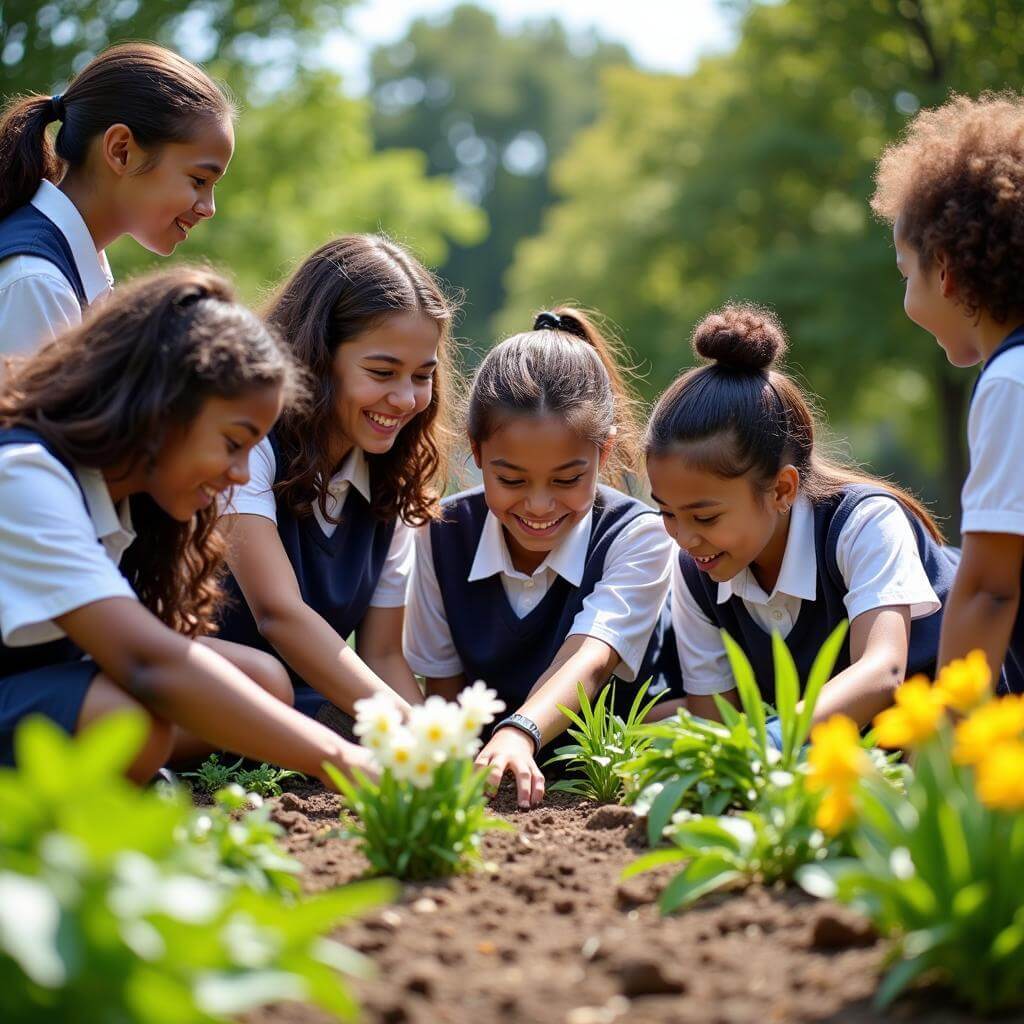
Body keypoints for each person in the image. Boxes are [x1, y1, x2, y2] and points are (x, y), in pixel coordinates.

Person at [0, 267, 372, 784]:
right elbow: (146, 662)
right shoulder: (24, 476)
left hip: (30, 684)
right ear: (161, 409)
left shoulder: (125, 501)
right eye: (232, 442)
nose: (240, 473)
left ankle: (123, 775)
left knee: (262, 680)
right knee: (126, 720)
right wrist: (340, 758)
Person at [404, 308, 674, 808]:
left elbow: (593, 657)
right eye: (511, 480)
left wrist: (521, 730)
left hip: (611, 773)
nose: (539, 506)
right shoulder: (440, 534)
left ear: (605, 451)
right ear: (477, 452)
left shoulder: (638, 536)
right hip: (500, 771)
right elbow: (443, 684)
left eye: (568, 480)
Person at [646, 303, 958, 729]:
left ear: (782, 489)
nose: (683, 537)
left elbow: (883, 671)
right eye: (667, 513)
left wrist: (775, 742)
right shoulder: (695, 571)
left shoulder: (864, 525)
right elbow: (718, 720)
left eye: (705, 518)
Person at [218, 235, 457, 724]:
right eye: (382, 371)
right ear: (317, 357)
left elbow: (384, 655)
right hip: (207, 693)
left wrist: (439, 744)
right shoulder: (249, 448)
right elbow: (278, 614)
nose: (406, 399)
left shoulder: (390, 481)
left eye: (421, 375)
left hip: (305, 710)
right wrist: (403, 727)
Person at [871, 92, 1024, 692]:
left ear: (946, 271)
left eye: (908, 275)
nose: (907, 298)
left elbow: (989, 589)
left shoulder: (1010, 382)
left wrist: (943, 744)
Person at [0, 42, 233, 358]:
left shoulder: (66, 273)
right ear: (121, 150)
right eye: (199, 180)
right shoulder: (37, 283)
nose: (209, 208)